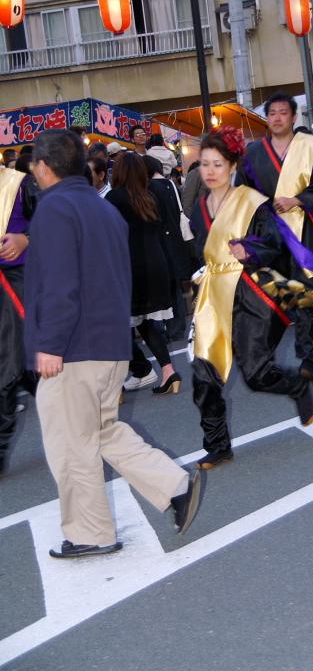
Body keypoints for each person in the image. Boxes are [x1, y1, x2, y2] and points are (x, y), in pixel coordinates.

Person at [25, 128, 202, 558]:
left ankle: (90, 532)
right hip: (109, 342)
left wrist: (49, 343)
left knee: (71, 444)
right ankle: (175, 486)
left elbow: (61, 282)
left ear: (44, 167)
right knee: (101, 431)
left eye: (33, 164)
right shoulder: (101, 208)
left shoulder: (53, 209)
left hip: (72, 346)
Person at [190, 127, 313, 469]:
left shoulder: (252, 202)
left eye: (218, 164)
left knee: (256, 373)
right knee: (204, 375)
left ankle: (296, 387)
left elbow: (274, 241)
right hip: (212, 294)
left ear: (232, 166)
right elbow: (197, 248)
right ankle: (217, 444)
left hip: (249, 292)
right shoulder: (200, 205)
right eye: (204, 164)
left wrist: (250, 249)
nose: (211, 171)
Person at [236, 91, 313, 382]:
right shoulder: (253, 154)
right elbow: (243, 193)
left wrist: (298, 200)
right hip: (269, 235)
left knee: (305, 292)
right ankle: (271, 354)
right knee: (275, 295)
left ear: (293, 117)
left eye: (283, 112)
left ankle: (306, 358)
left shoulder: (311, 148)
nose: (277, 118)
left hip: (305, 232)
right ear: (267, 119)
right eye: (272, 113)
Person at [106, 152, 181, 393]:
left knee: (119, 324)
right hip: (157, 262)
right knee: (148, 322)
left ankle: (119, 384)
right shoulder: (152, 195)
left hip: (128, 266)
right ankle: (168, 372)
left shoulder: (114, 198)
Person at [0, 163, 35, 475]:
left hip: (17, 281)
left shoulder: (20, 183)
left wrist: (26, 238)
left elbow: (51, 223)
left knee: (14, 364)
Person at [144, 155, 191, 341]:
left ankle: (171, 329)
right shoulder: (170, 184)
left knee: (168, 289)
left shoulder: (149, 189)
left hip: (161, 242)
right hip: (176, 239)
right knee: (176, 287)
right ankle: (178, 328)